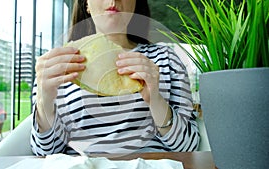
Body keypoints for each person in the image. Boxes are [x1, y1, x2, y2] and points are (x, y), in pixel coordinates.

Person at [31, 0, 200, 156]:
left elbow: (188, 146)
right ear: (86, 4)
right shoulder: (57, 65)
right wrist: (44, 101)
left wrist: (156, 101)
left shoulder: (166, 59)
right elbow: (45, 153)